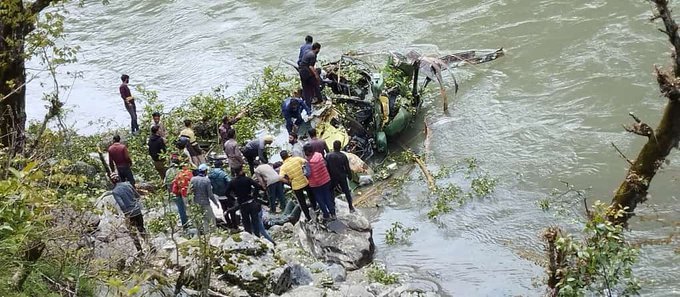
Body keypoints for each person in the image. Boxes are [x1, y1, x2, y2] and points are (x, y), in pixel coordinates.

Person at [225, 165, 270, 240]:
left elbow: (226, 193)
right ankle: (257, 237)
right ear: (241, 171)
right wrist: (255, 195)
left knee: (246, 222)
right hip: (251, 202)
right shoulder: (247, 179)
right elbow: (257, 186)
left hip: (242, 204)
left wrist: (233, 198)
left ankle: (248, 237)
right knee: (255, 220)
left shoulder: (232, 182)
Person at [110, 172, 147, 251]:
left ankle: (140, 251)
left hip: (129, 213)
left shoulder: (115, 191)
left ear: (112, 182)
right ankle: (150, 245)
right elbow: (137, 195)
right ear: (119, 178)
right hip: (137, 209)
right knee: (141, 229)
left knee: (132, 232)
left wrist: (126, 215)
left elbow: (122, 205)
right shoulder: (128, 184)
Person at [278, 150, 317, 221]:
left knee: (302, 202)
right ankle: (315, 208)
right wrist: (304, 171)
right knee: (311, 196)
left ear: (282, 158)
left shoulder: (283, 167)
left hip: (296, 185)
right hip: (304, 181)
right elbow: (305, 162)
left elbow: (280, 177)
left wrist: (288, 181)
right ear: (288, 154)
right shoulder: (296, 159)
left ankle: (308, 217)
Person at [303, 143, 336, 221]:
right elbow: (325, 163)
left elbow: (308, 173)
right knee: (327, 197)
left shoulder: (308, 162)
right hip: (325, 179)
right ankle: (333, 213)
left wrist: (303, 171)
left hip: (315, 184)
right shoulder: (319, 155)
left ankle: (326, 215)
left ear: (307, 152)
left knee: (320, 199)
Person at [326, 140, 355, 212]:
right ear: (340, 147)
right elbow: (347, 167)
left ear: (333, 147)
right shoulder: (343, 156)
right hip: (342, 176)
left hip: (332, 176)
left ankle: (332, 208)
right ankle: (350, 207)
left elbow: (327, 167)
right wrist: (350, 176)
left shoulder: (328, 156)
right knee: (346, 191)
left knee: (331, 191)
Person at [189, 164, 219, 234]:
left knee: (203, 219)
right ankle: (214, 234)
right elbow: (210, 194)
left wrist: (190, 203)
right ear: (205, 171)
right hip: (205, 203)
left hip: (196, 203)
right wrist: (216, 203)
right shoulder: (206, 180)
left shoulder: (193, 179)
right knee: (211, 219)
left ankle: (205, 233)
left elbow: (189, 192)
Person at [209, 160, 238, 229]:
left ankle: (229, 225)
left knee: (224, 210)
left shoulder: (210, 174)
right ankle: (235, 226)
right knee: (231, 210)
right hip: (227, 195)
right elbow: (229, 182)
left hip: (219, 195)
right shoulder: (222, 173)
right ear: (221, 166)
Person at [170, 161, 192, 229]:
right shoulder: (189, 173)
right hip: (189, 194)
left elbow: (174, 187)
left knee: (183, 210)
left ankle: (185, 225)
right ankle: (195, 224)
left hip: (180, 194)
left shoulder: (178, 175)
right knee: (190, 209)